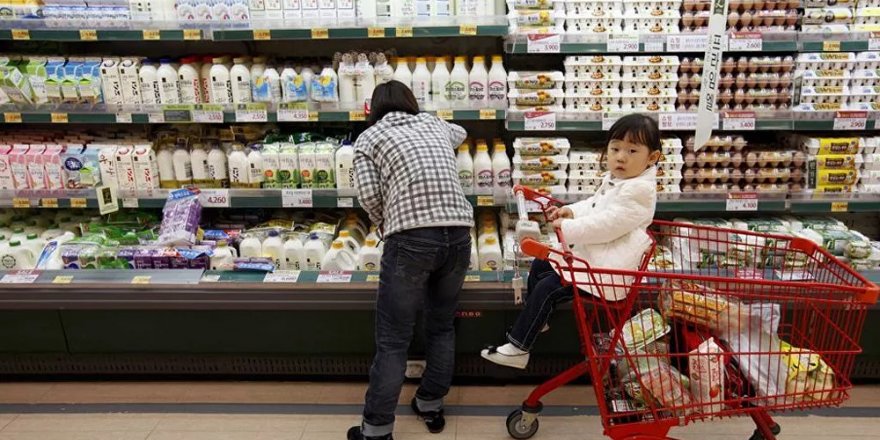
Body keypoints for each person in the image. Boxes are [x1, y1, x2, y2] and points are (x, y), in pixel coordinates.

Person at [481, 113, 662, 369]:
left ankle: (519, 347)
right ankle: (537, 321)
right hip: (595, 258)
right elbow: (595, 205)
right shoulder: (619, 181)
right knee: (541, 265)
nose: (621, 156)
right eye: (615, 148)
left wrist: (568, 227)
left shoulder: (639, 191)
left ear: (652, 158)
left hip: (607, 272)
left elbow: (608, 225)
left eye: (633, 150)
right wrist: (572, 211)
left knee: (549, 288)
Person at [348, 80, 474, 440]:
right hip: (459, 233)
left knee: (393, 338)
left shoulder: (369, 138)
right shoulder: (434, 123)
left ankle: (376, 429)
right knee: (442, 325)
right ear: (411, 103)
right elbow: (461, 132)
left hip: (411, 238)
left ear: (373, 109)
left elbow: (370, 195)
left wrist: (389, 223)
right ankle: (431, 403)